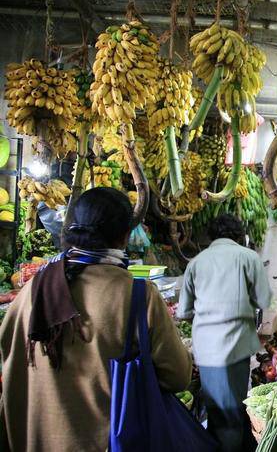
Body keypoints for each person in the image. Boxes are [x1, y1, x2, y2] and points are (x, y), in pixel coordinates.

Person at [0, 187, 192, 451]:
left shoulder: (32, 290)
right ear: (125, 237)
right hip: (103, 442)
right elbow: (177, 377)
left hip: (34, 440)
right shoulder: (137, 295)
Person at [177, 214, 272, 452]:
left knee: (217, 406)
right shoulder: (249, 257)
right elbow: (264, 299)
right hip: (237, 344)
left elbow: (184, 311)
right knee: (231, 409)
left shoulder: (195, 262)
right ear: (239, 236)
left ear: (211, 236)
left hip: (206, 347)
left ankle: (223, 443)